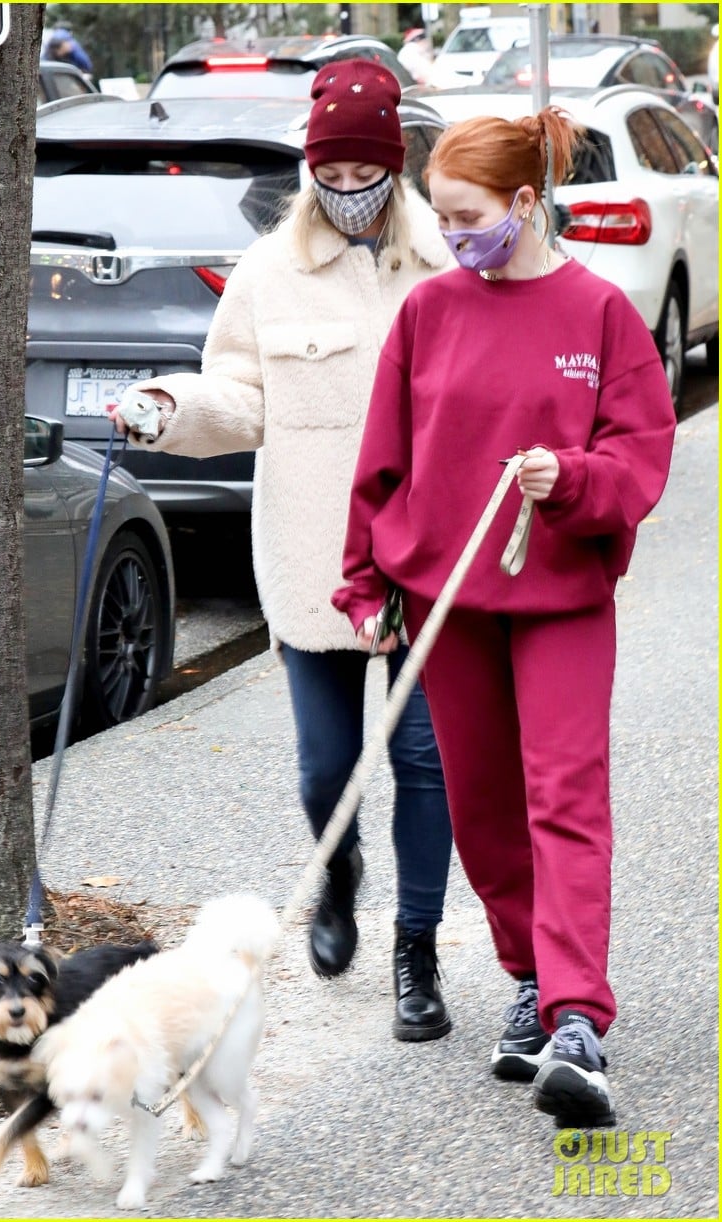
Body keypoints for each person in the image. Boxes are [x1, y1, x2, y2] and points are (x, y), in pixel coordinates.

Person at [332, 108, 676, 1122]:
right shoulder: (429, 313)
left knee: (563, 795)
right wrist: (365, 585)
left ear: (525, 203)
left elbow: (638, 456)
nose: (451, 234)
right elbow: (381, 459)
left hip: (561, 593)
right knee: (481, 806)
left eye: (468, 215)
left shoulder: (600, 314)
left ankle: (575, 1015)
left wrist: (567, 475)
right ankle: (527, 973)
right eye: (438, 217)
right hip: (450, 602)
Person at [110, 61, 456, 1043]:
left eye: (365, 172)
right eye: (331, 173)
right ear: (311, 172)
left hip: (423, 563)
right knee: (323, 768)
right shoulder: (267, 271)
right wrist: (169, 410)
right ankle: (337, 871)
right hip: (313, 562)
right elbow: (237, 395)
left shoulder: (442, 264)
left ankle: (416, 955)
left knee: (426, 761)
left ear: (396, 168)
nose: (348, 191)